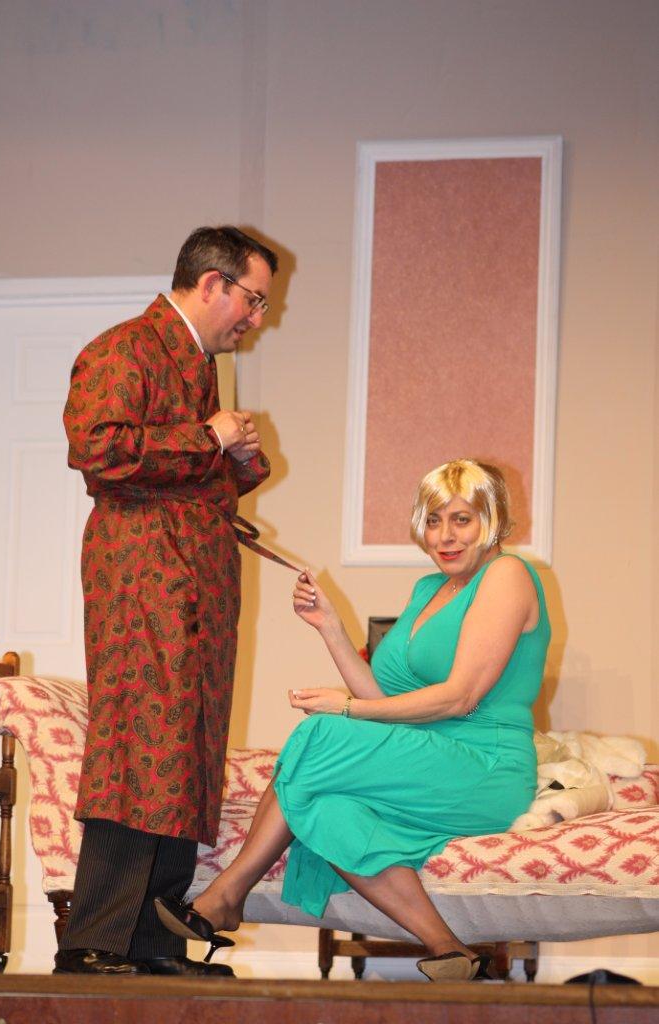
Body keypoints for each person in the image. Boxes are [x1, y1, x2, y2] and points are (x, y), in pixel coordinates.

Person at [155, 459, 551, 982]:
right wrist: (331, 629)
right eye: (434, 521)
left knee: (320, 732)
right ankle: (449, 948)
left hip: (485, 767)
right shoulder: (429, 590)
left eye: (462, 519)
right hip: (427, 760)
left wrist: (345, 708)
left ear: (492, 520)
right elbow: (387, 701)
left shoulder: (507, 575)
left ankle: (228, 892)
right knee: (327, 808)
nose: (445, 536)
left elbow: (458, 699)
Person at [55, 226, 279, 976]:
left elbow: (183, 472)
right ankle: (93, 943)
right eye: (253, 300)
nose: (258, 318)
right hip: (144, 583)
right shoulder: (125, 349)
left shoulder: (195, 365)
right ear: (212, 283)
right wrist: (207, 436)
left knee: (185, 759)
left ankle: (152, 947)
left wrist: (235, 459)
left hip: (194, 589)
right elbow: (96, 448)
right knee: (139, 752)